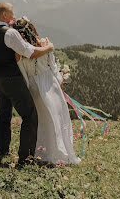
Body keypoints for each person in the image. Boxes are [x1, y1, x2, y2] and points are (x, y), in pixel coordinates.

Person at [0, 2, 54, 166]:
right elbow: (30, 52)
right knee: (29, 115)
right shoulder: (10, 33)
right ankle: (26, 156)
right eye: (12, 13)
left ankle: (3, 149)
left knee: (3, 115)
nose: (14, 17)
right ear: (4, 16)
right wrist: (49, 48)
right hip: (12, 79)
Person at [12, 17, 81, 165]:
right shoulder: (45, 44)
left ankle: (41, 152)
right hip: (50, 84)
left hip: (33, 87)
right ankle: (60, 152)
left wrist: (28, 88)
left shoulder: (18, 52)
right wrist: (60, 82)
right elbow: (53, 67)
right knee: (57, 118)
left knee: (40, 121)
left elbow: (23, 73)